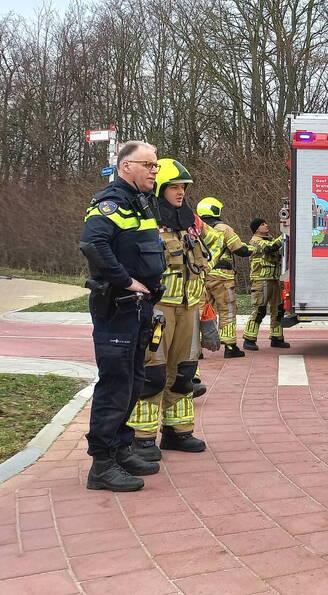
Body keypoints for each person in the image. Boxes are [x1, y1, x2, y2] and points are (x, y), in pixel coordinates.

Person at [79, 140, 165, 492]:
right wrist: (126, 281)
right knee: (115, 384)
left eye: (155, 166)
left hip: (137, 310)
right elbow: (93, 244)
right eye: (148, 165)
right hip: (117, 307)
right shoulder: (110, 203)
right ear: (126, 166)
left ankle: (120, 447)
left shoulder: (140, 204)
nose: (153, 171)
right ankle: (101, 465)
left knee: (131, 381)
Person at [128, 158, 218, 461]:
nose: (180, 193)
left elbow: (209, 257)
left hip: (190, 307)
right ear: (161, 189)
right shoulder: (146, 222)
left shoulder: (192, 223)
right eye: (174, 187)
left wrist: (207, 317)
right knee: (152, 373)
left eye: (183, 188)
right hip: (159, 309)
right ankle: (142, 438)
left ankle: (178, 431)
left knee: (184, 372)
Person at [197, 197, 253, 358]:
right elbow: (240, 249)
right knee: (227, 310)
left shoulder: (195, 228)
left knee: (201, 311)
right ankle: (230, 347)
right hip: (222, 278)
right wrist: (253, 249)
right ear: (216, 210)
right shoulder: (223, 228)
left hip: (202, 276)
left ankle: (196, 349)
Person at [241, 219, 289, 351]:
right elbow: (270, 248)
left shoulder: (269, 239)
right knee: (260, 311)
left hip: (273, 280)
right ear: (256, 229)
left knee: (278, 310)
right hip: (261, 280)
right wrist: (285, 233)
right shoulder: (255, 241)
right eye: (262, 224)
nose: (266, 225)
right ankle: (249, 339)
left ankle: (276, 338)